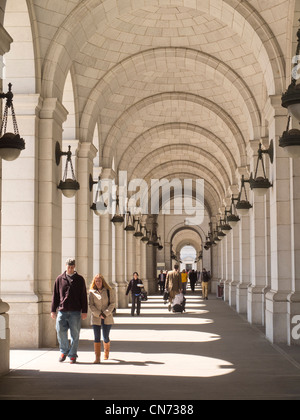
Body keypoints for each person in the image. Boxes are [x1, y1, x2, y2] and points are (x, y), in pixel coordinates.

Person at [51, 258, 88, 364]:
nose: (70, 269)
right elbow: (55, 295)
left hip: (75, 312)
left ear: (74, 267)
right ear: (65, 266)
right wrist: (53, 310)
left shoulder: (80, 279)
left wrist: (84, 311)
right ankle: (64, 351)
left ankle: (72, 355)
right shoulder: (59, 279)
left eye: (72, 267)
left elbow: (83, 296)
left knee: (75, 334)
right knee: (60, 331)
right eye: (69, 267)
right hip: (62, 311)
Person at [89, 274, 116, 364]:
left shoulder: (109, 291)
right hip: (96, 318)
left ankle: (106, 351)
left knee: (105, 336)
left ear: (102, 282)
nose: (98, 283)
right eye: (96, 281)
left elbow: (112, 303)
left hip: (107, 317)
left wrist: (105, 313)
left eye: (99, 281)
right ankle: (97, 357)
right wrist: (98, 314)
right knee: (96, 337)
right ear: (94, 282)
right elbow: (91, 305)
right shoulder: (92, 292)